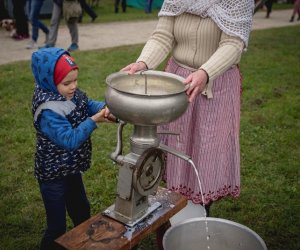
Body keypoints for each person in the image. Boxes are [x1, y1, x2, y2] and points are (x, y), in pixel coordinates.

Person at [121, 0, 254, 217]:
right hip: (177, 82)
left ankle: (200, 214)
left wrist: (206, 72)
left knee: (205, 151)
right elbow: (163, 36)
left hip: (214, 84)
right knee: (175, 146)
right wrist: (143, 63)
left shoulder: (237, 1)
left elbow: (233, 44)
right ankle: (169, 211)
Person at [31, 47, 115, 248]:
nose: (73, 87)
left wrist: (105, 108)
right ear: (49, 81)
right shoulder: (48, 111)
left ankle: (83, 244)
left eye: (75, 80)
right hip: (52, 174)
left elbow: (86, 104)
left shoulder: (69, 93)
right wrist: (94, 120)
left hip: (70, 168)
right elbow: (69, 139)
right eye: (67, 83)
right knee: (57, 226)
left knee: (81, 211)